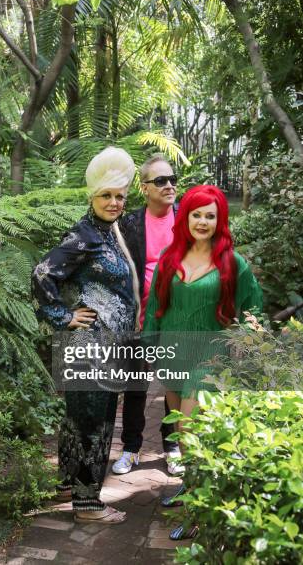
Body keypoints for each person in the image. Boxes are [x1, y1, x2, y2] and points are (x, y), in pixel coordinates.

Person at [143, 184, 263, 539]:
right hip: (173, 352)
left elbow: (253, 310)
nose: (203, 221)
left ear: (219, 220)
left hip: (210, 359)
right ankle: (190, 486)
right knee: (180, 429)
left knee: (191, 432)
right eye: (197, 214)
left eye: (210, 215)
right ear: (186, 217)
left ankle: (199, 510)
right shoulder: (169, 256)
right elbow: (154, 307)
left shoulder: (232, 262)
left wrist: (248, 342)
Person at [32, 147, 140, 524]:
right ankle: (88, 504)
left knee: (80, 418)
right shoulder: (83, 235)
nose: (113, 202)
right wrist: (62, 316)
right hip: (91, 347)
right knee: (95, 420)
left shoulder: (108, 232)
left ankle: (68, 484)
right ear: (92, 196)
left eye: (119, 196)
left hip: (104, 348)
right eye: (106, 195)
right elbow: (43, 274)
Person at [112, 153, 182, 476]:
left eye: (172, 179)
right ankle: (130, 447)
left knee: (174, 384)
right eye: (160, 181)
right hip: (139, 319)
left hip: (177, 320)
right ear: (145, 188)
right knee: (136, 386)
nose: (169, 186)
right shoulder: (129, 223)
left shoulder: (187, 218)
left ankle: (172, 446)